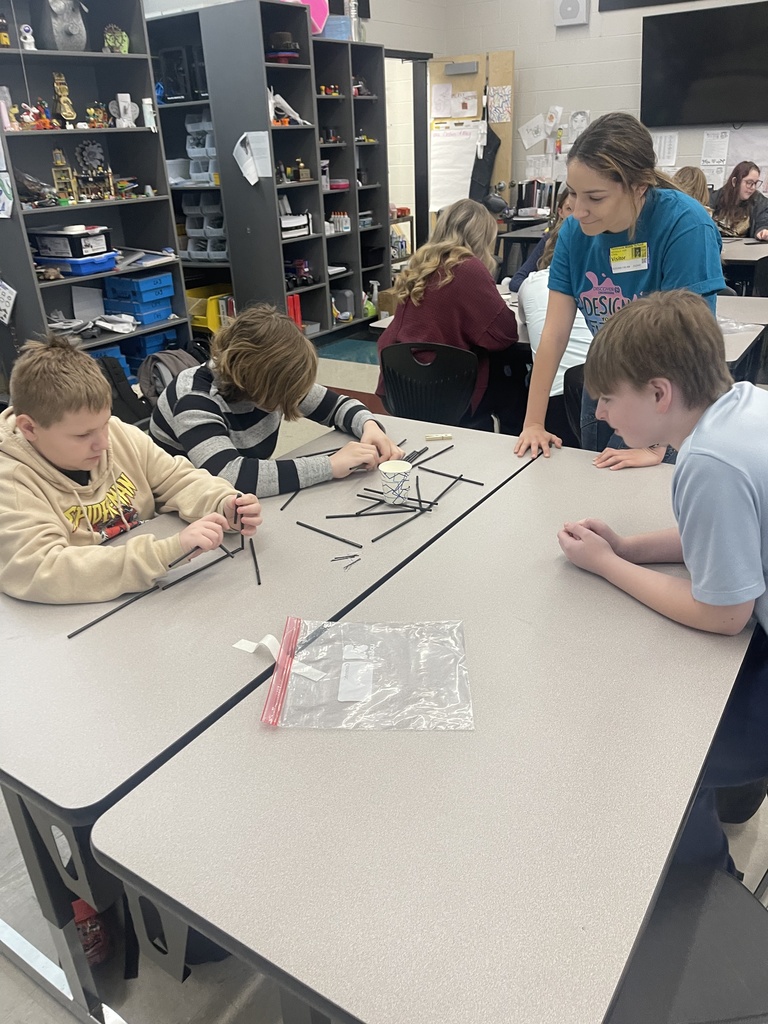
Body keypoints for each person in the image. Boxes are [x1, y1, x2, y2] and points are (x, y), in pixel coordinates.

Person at [557, 289, 767, 874]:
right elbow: (720, 539)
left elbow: (726, 615)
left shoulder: (709, 461)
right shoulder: (743, 405)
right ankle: (738, 799)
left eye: (605, 398)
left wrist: (608, 566)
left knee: (660, 753)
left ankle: (702, 895)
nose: (598, 415)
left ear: (658, 393)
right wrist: (626, 547)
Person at [513, 111, 725, 463]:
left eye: (595, 198)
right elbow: (553, 334)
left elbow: (689, 348)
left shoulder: (685, 225)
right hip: (607, 391)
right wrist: (533, 422)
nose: (579, 211)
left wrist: (657, 445)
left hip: (671, 399)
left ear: (639, 187)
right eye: (574, 195)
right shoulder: (573, 234)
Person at [0, 335, 261, 605]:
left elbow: (178, 479)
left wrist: (223, 504)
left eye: (104, 423)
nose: (103, 442)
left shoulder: (117, 434)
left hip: (148, 597)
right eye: (83, 435)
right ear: (29, 428)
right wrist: (165, 553)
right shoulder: (11, 481)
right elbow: (42, 569)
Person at [150, 304, 402, 496]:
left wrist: (369, 427)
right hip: (184, 502)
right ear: (252, 379)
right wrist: (330, 465)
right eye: (281, 397)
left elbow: (338, 407)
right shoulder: (194, 398)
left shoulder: (270, 380)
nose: (288, 402)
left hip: (236, 501)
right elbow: (229, 476)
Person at [376, 198, 525, 433]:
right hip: (449, 391)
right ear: (482, 236)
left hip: (402, 386)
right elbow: (504, 335)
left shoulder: (420, 263)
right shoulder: (468, 267)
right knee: (515, 373)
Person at [517, 193, 590, 447]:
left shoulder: (533, 283)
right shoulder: (580, 285)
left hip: (561, 397)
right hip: (592, 389)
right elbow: (555, 334)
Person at [508, 189, 570, 294]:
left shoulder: (597, 243)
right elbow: (516, 281)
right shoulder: (551, 239)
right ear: (561, 212)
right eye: (569, 209)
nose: (576, 215)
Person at [710, 160, 768, 239]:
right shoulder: (716, 197)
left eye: (755, 183)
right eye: (749, 182)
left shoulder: (760, 202)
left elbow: (763, 222)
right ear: (734, 182)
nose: (753, 187)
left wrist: (762, 231)